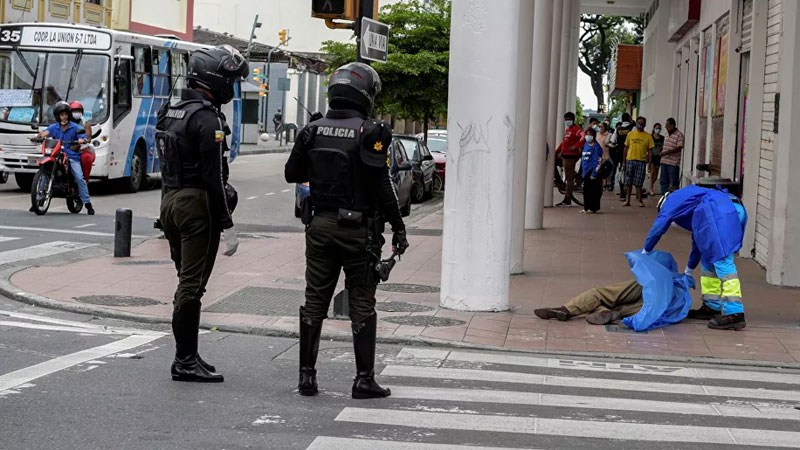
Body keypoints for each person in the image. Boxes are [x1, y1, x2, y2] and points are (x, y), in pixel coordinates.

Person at [284, 62, 409, 400]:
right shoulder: (372, 132)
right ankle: (363, 380)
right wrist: (399, 227)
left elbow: (291, 173)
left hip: (320, 226)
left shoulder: (312, 131)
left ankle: (307, 378)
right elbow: (383, 187)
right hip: (358, 231)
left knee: (314, 301)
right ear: (366, 93)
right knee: (362, 303)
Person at [156, 45, 247, 383]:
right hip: (196, 206)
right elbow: (213, 177)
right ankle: (183, 360)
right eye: (231, 80)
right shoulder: (208, 118)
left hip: (171, 200)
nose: (232, 88)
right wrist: (227, 224)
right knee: (191, 286)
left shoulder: (173, 108)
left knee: (187, 282)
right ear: (216, 78)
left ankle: (190, 354)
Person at [644, 186, 748, 330]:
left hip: (721, 213)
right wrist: (689, 270)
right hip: (730, 208)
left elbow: (659, 226)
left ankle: (735, 313)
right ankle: (712, 306)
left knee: (723, 261)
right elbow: (698, 242)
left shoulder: (671, 202)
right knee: (708, 260)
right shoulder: (691, 202)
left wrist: (645, 250)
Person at [36, 101, 93, 215]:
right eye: (62, 114)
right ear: (58, 116)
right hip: (56, 154)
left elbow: (83, 136)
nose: (64, 116)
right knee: (44, 172)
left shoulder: (75, 127)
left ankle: (87, 203)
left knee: (79, 177)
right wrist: (39, 135)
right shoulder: (54, 127)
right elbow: (45, 132)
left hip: (71, 156)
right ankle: (38, 200)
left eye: (66, 114)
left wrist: (83, 140)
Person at [535, 279, 643, 325]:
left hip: (651, 287)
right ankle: (607, 313)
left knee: (600, 294)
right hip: (650, 302)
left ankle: (566, 310)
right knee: (620, 307)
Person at [622, 116, 654, 207]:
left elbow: (650, 151)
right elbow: (626, 148)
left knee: (639, 182)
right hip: (630, 160)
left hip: (641, 161)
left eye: (642, 123)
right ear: (636, 123)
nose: (640, 124)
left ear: (645, 124)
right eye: (639, 122)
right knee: (628, 182)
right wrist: (623, 162)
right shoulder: (630, 134)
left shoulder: (648, 136)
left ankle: (640, 200)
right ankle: (627, 200)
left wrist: (649, 163)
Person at [556, 112, 584, 206]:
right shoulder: (568, 130)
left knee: (569, 178)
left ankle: (567, 199)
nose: (567, 121)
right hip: (564, 155)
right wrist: (557, 152)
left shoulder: (576, 130)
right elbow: (564, 142)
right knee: (568, 175)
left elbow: (583, 137)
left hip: (570, 156)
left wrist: (575, 146)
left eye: (569, 119)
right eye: (566, 119)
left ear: (572, 119)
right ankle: (564, 183)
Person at [68, 101, 95, 184]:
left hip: (82, 149)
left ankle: (84, 182)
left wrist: (82, 142)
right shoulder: (65, 123)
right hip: (66, 148)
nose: (77, 113)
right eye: (74, 111)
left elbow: (88, 138)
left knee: (86, 158)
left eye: (79, 111)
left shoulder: (85, 123)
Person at [610, 113, 634, 198]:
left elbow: (612, 140)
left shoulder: (618, 129)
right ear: (629, 118)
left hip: (619, 153)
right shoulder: (632, 128)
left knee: (621, 172)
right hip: (630, 152)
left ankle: (622, 191)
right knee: (629, 173)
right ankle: (627, 190)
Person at [581, 128, 603, 213]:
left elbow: (597, 161)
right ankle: (586, 207)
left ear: (593, 136)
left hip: (592, 170)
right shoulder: (586, 145)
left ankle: (592, 208)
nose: (587, 136)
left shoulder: (596, 147)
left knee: (593, 191)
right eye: (587, 134)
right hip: (585, 170)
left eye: (590, 135)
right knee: (586, 190)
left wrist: (594, 173)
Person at [659, 118, 684, 194]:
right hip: (664, 161)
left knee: (673, 183)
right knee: (663, 181)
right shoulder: (666, 133)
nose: (666, 127)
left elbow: (679, 148)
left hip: (673, 163)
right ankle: (664, 197)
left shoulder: (679, 135)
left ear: (672, 125)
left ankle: (673, 199)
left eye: (667, 125)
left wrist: (667, 152)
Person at [649, 122, 664, 195]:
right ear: (654, 129)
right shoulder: (651, 137)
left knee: (656, 174)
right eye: (657, 128)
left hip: (659, 157)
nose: (658, 130)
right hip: (652, 157)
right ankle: (651, 188)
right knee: (652, 172)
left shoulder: (662, 138)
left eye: (659, 128)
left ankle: (651, 185)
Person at [596, 122, 612, 191]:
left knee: (606, 171)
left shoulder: (609, 135)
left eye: (601, 127)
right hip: (598, 156)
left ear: (605, 127)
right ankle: (602, 184)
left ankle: (608, 183)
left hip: (606, 156)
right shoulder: (597, 134)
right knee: (599, 170)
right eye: (599, 127)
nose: (600, 128)